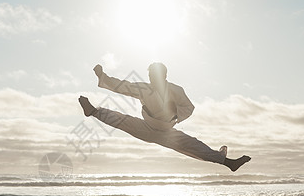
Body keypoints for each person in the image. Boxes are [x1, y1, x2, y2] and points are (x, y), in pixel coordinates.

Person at [78, 63, 251, 172]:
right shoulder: (144, 88)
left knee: (194, 145)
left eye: (155, 75)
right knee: (123, 121)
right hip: (147, 126)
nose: (151, 78)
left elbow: (189, 108)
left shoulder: (176, 90)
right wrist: (102, 76)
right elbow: (122, 87)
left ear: (164, 76)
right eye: (150, 75)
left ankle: (229, 163)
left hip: (167, 130)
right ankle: (93, 111)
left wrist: (175, 111)